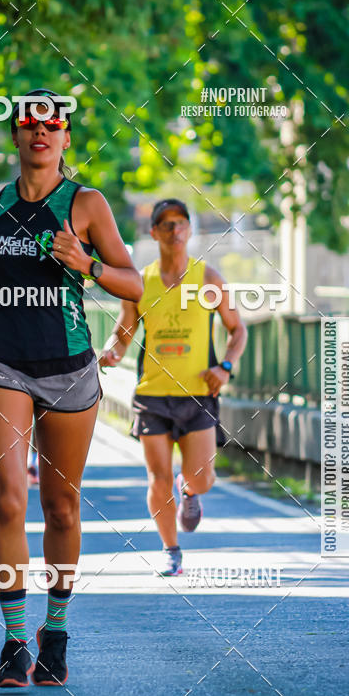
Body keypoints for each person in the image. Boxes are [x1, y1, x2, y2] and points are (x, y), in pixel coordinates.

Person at [0, 88, 142, 690]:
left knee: (61, 504)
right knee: (8, 498)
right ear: (14, 137)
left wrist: (87, 265)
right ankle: (11, 643)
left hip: (69, 367)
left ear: (63, 138)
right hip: (0, 362)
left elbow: (132, 284)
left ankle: (54, 633)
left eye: (51, 127)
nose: (40, 134)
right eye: (29, 126)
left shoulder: (85, 204)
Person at [99, 198, 247, 576]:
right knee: (157, 476)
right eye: (166, 225)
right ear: (154, 233)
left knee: (203, 477)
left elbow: (237, 330)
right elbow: (123, 331)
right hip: (152, 394)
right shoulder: (141, 282)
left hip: (198, 394)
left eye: (181, 223)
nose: (175, 231)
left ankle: (191, 490)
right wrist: (112, 351)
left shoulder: (208, 279)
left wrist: (226, 367)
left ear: (190, 230)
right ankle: (171, 550)